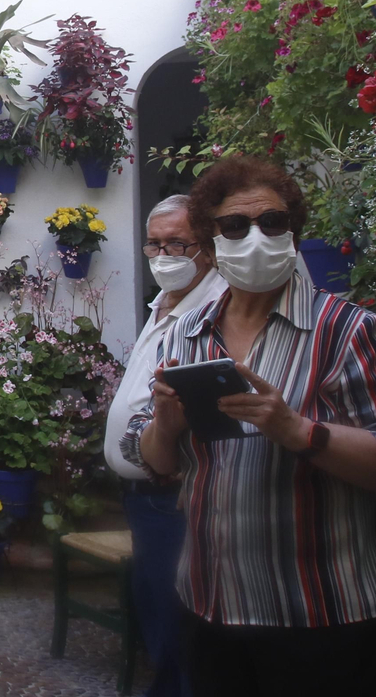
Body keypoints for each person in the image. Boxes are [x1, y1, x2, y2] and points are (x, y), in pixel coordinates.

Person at [122, 155, 376, 697]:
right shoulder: (187, 336)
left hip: (324, 618)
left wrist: (300, 432)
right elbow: (156, 462)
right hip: (212, 608)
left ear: (292, 229)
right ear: (211, 237)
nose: (255, 237)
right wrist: (166, 428)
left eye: (272, 222)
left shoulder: (345, 332)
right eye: (235, 225)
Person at [103, 194, 226, 697]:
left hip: (176, 495)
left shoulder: (217, 308)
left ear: (208, 248)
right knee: (159, 612)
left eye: (178, 243)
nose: (164, 254)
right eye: (154, 244)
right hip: (146, 500)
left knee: (181, 629)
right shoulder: (165, 305)